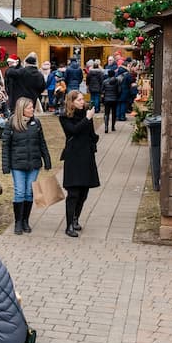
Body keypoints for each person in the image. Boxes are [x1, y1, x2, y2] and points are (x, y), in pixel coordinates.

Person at [1, 96, 52, 235]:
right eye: (29, 107)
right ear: (22, 109)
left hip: (33, 163)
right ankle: (18, 222)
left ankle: (25, 220)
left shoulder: (36, 122)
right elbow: (5, 146)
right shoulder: (11, 123)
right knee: (19, 192)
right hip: (17, 164)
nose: (32, 109)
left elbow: (42, 142)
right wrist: (5, 165)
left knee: (29, 192)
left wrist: (46, 159)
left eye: (32, 107)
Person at [59, 90, 101, 237]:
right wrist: (87, 119)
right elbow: (73, 131)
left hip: (86, 156)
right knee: (73, 192)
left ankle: (76, 218)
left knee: (84, 192)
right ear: (72, 102)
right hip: (73, 157)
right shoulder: (65, 116)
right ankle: (68, 224)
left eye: (83, 99)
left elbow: (90, 133)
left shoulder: (85, 114)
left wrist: (94, 139)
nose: (83, 102)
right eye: (79, 100)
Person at [101, 67, 121, 133]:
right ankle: (113, 127)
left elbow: (102, 90)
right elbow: (119, 90)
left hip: (107, 99)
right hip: (114, 99)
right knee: (114, 113)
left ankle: (106, 127)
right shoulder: (117, 81)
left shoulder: (104, 81)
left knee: (106, 113)